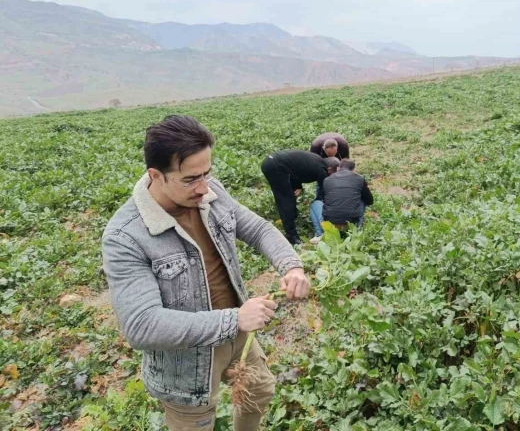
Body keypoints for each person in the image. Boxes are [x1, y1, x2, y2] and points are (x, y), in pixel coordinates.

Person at [102, 115, 311, 431]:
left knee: (259, 390)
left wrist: (291, 265)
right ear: (155, 175)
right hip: (186, 362)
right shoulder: (126, 236)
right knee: (197, 423)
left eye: (207, 173)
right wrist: (233, 320)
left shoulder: (211, 192)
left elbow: (256, 227)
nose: (203, 188)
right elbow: (141, 326)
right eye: (190, 179)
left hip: (239, 334)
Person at [261, 150, 340, 245]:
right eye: (333, 173)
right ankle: (292, 236)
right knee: (286, 199)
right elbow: (324, 193)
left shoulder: (318, 160)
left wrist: (297, 186)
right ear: (330, 169)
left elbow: (296, 169)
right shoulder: (321, 171)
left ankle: (291, 216)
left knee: (289, 195)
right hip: (274, 167)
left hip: (273, 161)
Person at [309, 159, 374, 243]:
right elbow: (370, 201)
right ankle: (356, 229)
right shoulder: (360, 178)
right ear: (353, 170)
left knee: (315, 204)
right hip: (351, 224)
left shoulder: (327, 180)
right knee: (362, 199)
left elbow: (324, 199)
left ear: (338, 168)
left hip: (330, 223)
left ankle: (320, 234)